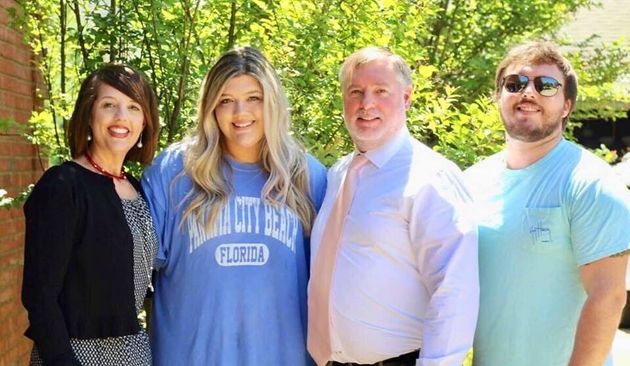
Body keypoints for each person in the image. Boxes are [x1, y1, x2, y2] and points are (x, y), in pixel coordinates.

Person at [142, 46, 327, 365]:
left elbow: (332, 288)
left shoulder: (308, 177)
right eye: (226, 100)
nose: (241, 113)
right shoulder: (173, 173)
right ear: (211, 108)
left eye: (253, 98)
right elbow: (126, 278)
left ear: (272, 102)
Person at [307, 47, 478, 366]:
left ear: (406, 98)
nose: (366, 103)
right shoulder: (338, 174)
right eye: (355, 92)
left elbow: (455, 290)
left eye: (380, 91)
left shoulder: (429, 178)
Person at [464, 41, 630, 366]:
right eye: (515, 83)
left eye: (546, 85)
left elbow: (608, 296)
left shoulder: (590, 183)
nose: (528, 92)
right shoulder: (470, 183)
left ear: (567, 105)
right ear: (499, 97)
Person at [21, 64, 160, 365]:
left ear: (145, 121)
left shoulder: (137, 188)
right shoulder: (62, 186)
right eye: (109, 105)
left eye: (134, 107)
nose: (121, 117)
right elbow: (40, 297)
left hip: (133, 353)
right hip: (75, 354)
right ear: (89, 114)